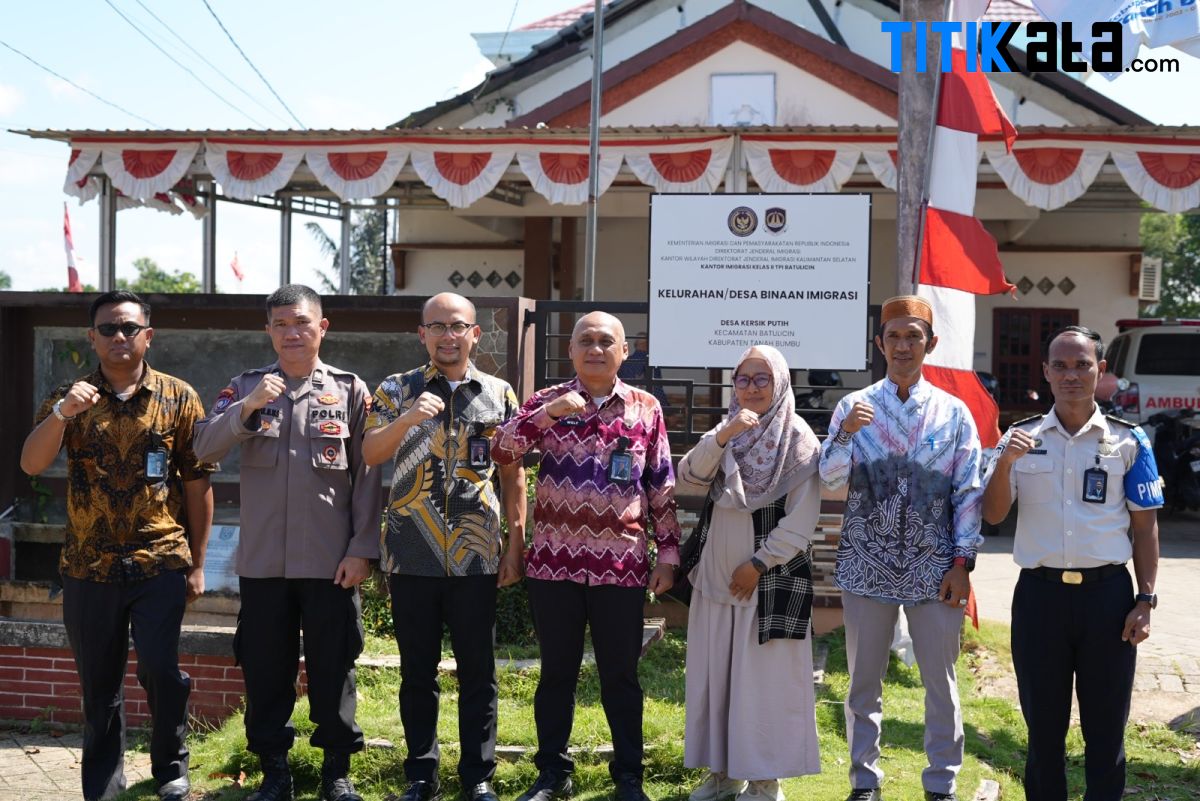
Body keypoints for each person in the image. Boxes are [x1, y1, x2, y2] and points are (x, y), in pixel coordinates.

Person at [20, 290, 214, 801]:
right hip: (88, 565)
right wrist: (62, 413)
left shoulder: (179, 396)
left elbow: (198, 483)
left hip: (159, 560)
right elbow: (32, 463)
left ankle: (170, 766)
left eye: (129, 328)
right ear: (92, 337)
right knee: (99, 685)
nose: (119, 337)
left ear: (148, 335)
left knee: (161, 669)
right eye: (108, 329)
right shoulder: (70, 396)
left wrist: (198, 563)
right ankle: (104, 787)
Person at [193, 285, 380, 801]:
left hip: (330, 562)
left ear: (323, 327)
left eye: (301, 322)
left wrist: (362, 547)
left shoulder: (349, 390)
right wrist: (247, 407)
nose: (291, 332)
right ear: (268, 330)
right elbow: (203, 447)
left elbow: (368, 474)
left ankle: (336, 773)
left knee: (333, 668)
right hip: (263, 565)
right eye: (280, 324)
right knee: (265, 670)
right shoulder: (245, 386)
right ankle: (274, 773)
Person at [492, 311, 681, 801]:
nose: (596, 349)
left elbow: (661, 484)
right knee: (557, 673)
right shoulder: (548, 401)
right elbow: (502, 450)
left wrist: (668, 554)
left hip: (621, 567)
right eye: (586, 341)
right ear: (571, 350)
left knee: (621, 676)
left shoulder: (645, 408)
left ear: (624, 351)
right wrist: (550, 414)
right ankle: (552, 773)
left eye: (606, 341)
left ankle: (629, 777)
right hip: (554, 567)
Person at [981, 326, 1162, 801]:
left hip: (1109, 600)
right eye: (1060, 366)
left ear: (1100, 371)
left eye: (1082, 365)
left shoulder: (1129, 440)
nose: (1071, 375)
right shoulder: (1019, 438)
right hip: (1039, 599)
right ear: (1045, 372)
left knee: (1106, 729)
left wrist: (1145, 600)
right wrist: (1004, 464)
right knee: (1043, 730)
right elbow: (993, 515)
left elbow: (1145, 527)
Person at [818, 295, 983, 801]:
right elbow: (830, 479)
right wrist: (845, 435)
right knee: (863, 683)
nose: (903, 345)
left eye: (914, 336)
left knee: (941, 683)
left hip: (936, 569)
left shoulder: (954, 413)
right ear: (880, 343)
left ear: (931, 344)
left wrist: (962, 563)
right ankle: (864, 781)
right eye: (894, 336)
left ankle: (942, 782)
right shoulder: (854, 408)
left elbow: (968, 491)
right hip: (866, 565)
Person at [362, 293, 527, 801]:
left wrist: (516, 543)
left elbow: (513, 475)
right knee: (417, 673)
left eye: (457, 326)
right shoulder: (396, 389)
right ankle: (421, 775)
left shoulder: (499, 394)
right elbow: (370, 453)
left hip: (477, 555)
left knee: (479, 671)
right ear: (422, 335)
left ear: (475, 334)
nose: (447, 336)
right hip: (412, 553)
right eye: (437, 327)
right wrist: (408, 418)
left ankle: (478, 777)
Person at [677, 345, 822, 801]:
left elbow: (802, 520)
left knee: (764, 685)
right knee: (715, 678)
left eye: (762, 379)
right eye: (743, 378)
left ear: (780, 383)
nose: (752, 388)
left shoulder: (798, 440)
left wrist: (758, 564)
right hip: (716, 582)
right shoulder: (728, 432)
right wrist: (724, 435)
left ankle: (764, 781)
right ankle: (722, 774)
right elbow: (689, 476)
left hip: (767, 583)